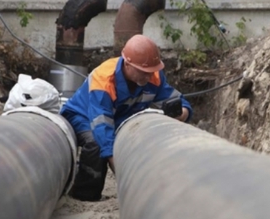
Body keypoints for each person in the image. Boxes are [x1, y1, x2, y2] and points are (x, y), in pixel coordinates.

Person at [60, 34, 192, 201]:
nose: (148, 76)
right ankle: (84, 194)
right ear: (128, 65)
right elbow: (102, 127)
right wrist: (119, 169)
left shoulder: (153, 77)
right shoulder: (104, 80)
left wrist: (183, 113)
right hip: (82, 115)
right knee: (95, 144)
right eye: (144, 72)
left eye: (152, 71)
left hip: (115, 119)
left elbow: (179, 101)